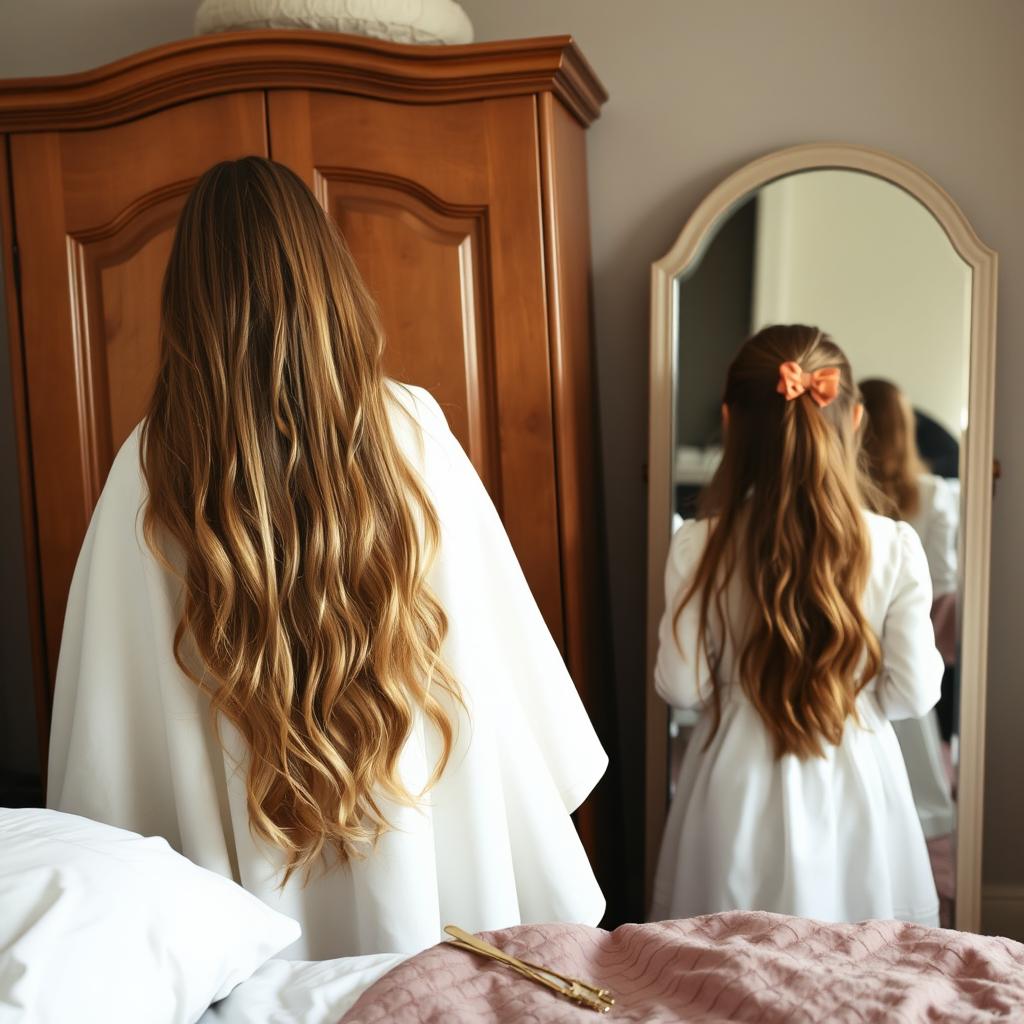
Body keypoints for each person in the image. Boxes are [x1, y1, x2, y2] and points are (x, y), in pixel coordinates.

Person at [47, 157, 607, 959]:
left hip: (249, 922)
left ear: (186, 300)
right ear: (327, 281)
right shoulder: (411, 428)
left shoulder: (146, 467)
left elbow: (107, 759)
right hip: (430, 885)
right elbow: (513, 675)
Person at [650, 325, 942, 926]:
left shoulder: (696, 544)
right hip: (858, 781)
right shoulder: (894, 546)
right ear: (855, 420)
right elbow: (914, 695)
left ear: (731, 422)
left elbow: (683, 688)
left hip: (733, 787)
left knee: (721, 967)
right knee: (863, 965)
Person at [861, 378, 959, 743]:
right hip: (914, 632)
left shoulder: (840, 496)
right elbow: (943, 581)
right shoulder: (934, 494)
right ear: (907, 427)